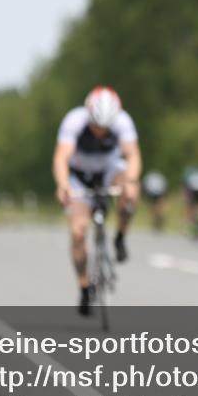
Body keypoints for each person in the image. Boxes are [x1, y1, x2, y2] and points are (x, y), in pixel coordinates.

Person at [53, 86, 142, 316]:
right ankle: (84, 287)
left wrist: (130, 182)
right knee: (78, 232)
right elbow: (61, 157)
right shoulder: (74, 120)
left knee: (131, 190)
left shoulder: (123, 121)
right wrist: (63, 185)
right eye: (96, 127)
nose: (101, 132)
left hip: (108, 171)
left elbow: (132, 155)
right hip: (80, 177)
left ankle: (120, 236)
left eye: (106, 128)